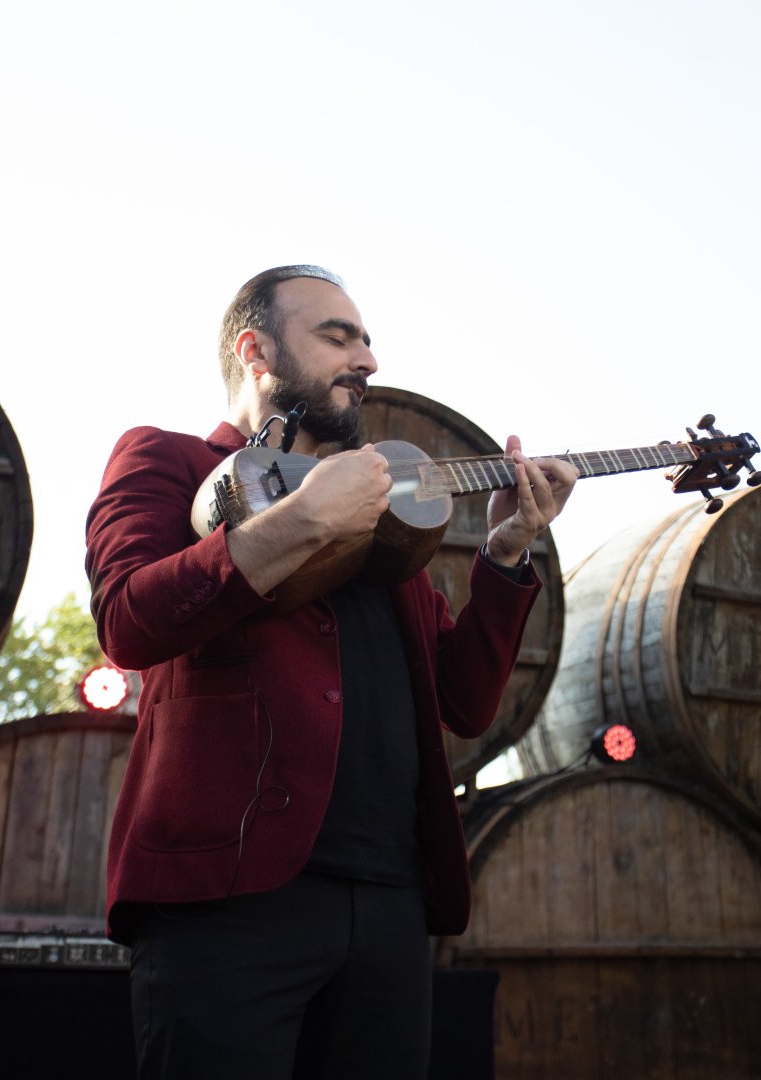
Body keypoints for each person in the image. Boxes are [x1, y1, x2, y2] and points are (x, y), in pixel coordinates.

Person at [84, 264, 577, 1079]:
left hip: (390, 899)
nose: (368, 359)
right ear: (257, 351)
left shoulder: (386, 520)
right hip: (228, 898)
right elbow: (129, 619)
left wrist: (506, 551)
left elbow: (464, 700)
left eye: (368, 340)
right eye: (338, 336)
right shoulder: (165, 460)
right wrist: (301, 521)